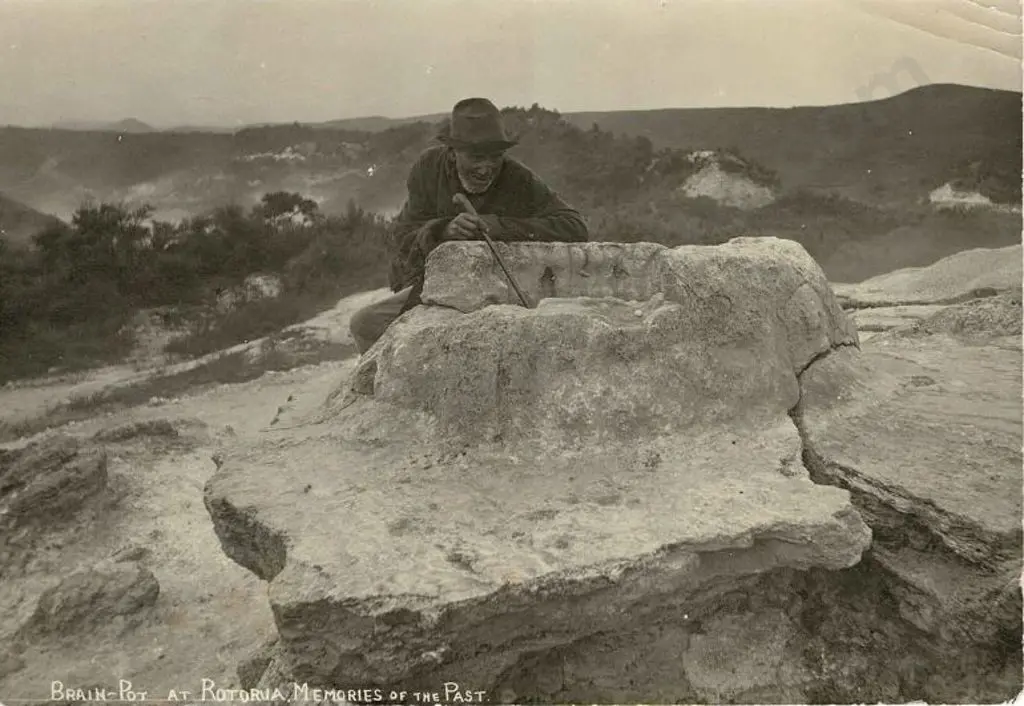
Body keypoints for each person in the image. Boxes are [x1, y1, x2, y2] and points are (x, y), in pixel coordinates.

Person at [349, 97, 589, 354]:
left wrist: (497, 226)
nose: (486, 168)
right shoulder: (428, 169)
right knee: (364, 325)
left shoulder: (517, 178)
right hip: (433, 287)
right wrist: (442, 230)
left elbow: (574, 226)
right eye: (476, 156)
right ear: (452, 153)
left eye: (495, 156)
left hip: (497, 289)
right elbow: (401, 234)